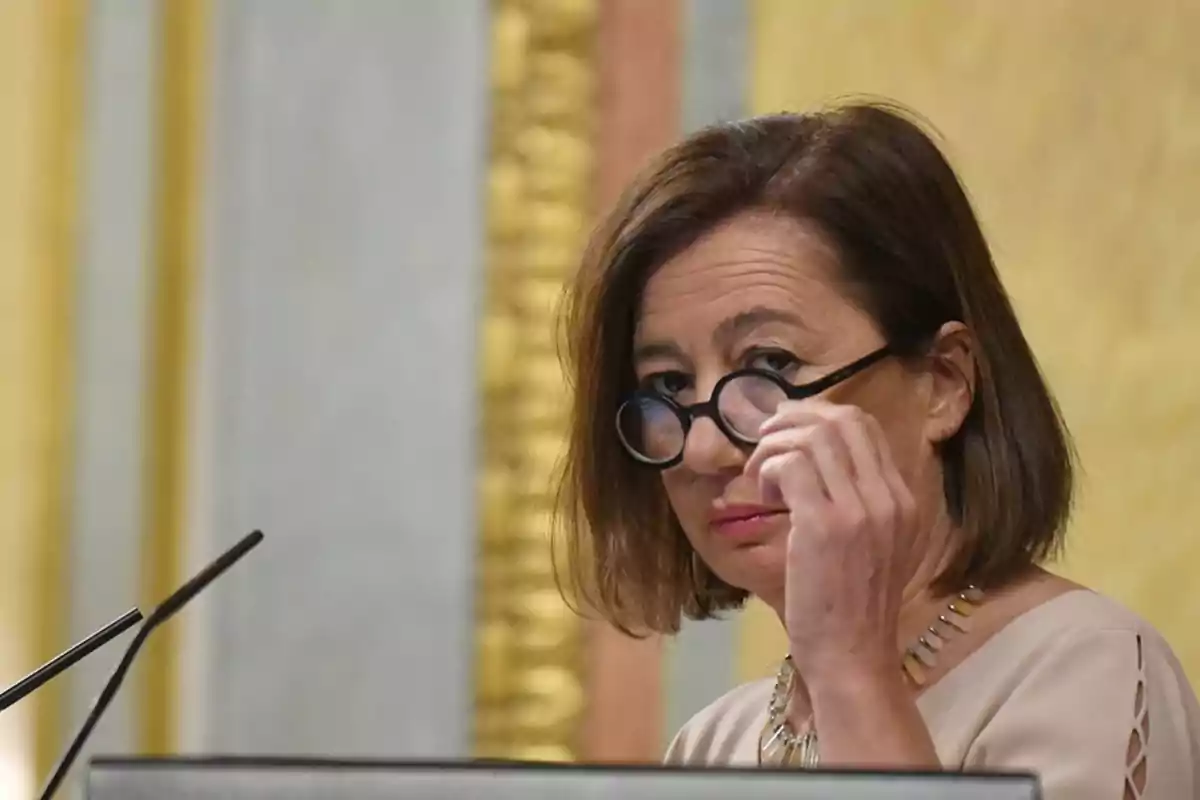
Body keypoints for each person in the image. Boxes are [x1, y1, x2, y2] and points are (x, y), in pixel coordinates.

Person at [554, 101, 1200, 799]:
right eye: (670, 385)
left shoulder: (1086, 671)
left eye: (770, 366)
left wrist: (852, 672)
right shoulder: (715, 741)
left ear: (944, 383)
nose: (707, 446)